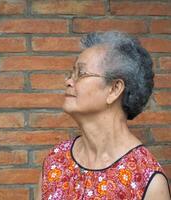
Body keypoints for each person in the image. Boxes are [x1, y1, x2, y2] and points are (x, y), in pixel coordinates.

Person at [36, 31, 170, 200]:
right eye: (71, 74)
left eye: (81, 74)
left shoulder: (147, 180)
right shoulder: (55, 161)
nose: (68, 81)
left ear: (114, 89)